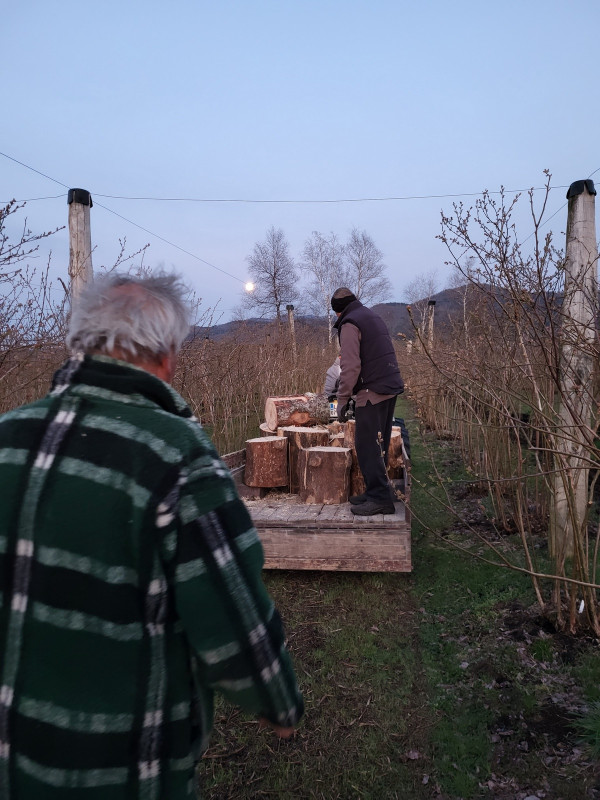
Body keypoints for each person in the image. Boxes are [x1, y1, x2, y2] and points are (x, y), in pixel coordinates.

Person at [0, 273, 303, 799]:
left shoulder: (6, 438)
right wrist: (276, 701)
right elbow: (229, 609)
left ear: (81, 343)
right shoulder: (175, 454)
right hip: (120, 769)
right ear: (165, 354)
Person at [332, 287, 404, 516]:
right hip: (388, 385)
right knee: (378, 443)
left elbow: (350, 365)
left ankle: (380, 499)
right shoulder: (371, 316)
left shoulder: (350, 323)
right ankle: (375, 492)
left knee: (366, 446)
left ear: (338, 312)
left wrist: (342, 399)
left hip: (372, 390)